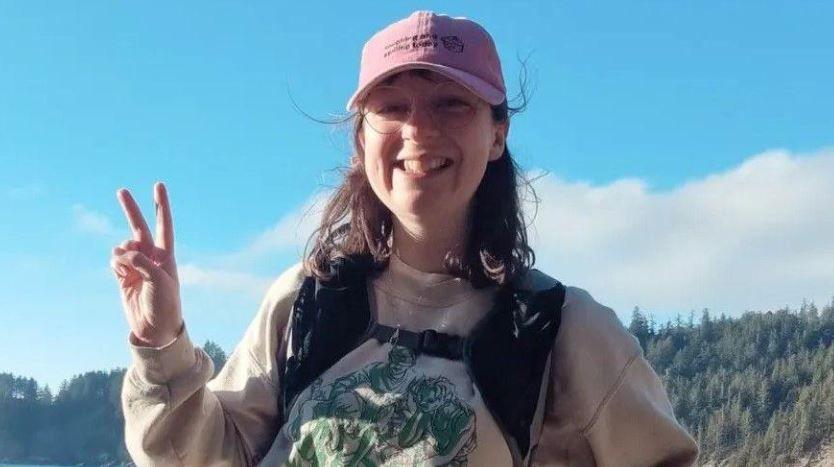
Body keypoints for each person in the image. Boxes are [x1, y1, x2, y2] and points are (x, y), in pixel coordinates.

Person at [112, 10, 699, 467]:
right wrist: (161, 344)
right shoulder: (303, 305)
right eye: (392, 107)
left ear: (497, 134)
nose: (419, 130)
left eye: (451, 104)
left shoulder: (565, 330)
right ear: (361, 140)